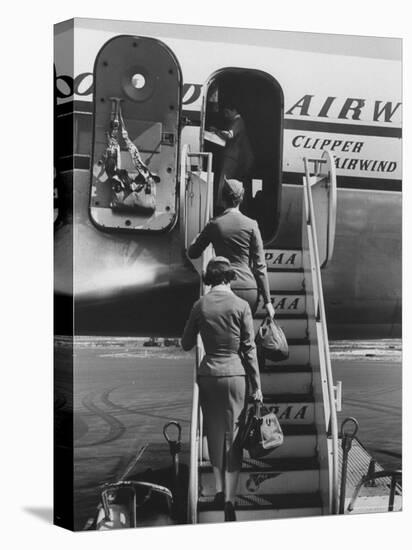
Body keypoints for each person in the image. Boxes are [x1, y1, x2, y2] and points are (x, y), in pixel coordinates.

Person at [181, 257, 263, 522]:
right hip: (236, 374)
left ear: (210, 279)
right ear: (229, 277)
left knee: (213, 432)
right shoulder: (241, 305)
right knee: (235, 437)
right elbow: (249, 349)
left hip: (209, 375)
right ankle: (230, 498)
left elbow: (185, 343)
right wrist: (257, 386)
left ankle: (217, 489)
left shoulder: (200, 305)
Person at [188, 178, 275, 319]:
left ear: (222, 199)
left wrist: (199, 235)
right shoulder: (252, 225)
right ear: (241, 199)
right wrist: (268, 301)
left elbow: (193, 253)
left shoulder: (214, 224)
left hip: (224, 288)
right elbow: (260, 267)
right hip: (249, 289)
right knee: (245, 337)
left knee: (225, 337)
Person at [210, 103, 254, 210]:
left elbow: (229, 135)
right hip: (232, 157)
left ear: (234, 110)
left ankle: (221, 207)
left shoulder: (238, 121)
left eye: (227, 112)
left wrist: (216, 131)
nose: (225, 115)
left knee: (223, 183)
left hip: (231, 157)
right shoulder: (236, 122)